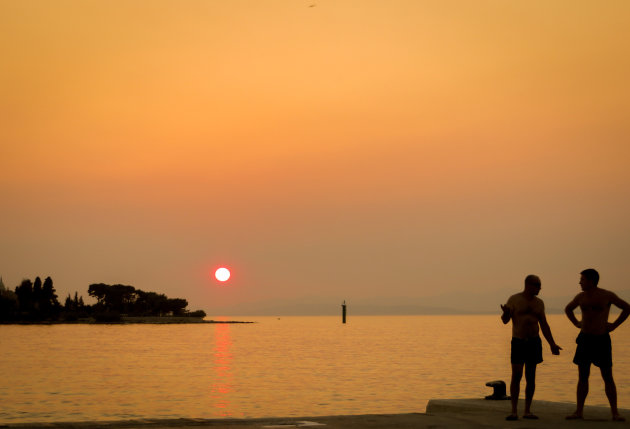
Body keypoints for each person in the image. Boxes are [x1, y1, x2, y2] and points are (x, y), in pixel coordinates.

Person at [565, 268, 630, 421]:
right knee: (583, 376)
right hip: (585, 339)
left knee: (607, 376)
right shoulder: (580, 297)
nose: (580, 282)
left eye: (582, 279)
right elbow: (568, 309)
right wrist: (576, 323)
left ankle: (615, 412)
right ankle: (579, 411)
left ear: (591, 281)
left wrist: (614, 325)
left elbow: (627, 308)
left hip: (601, 339)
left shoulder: (606, 295)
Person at [501, 274, 562, 421]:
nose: (540, 288)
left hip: (534, 342)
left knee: (531, 376)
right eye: (537, 285)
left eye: (540, 285)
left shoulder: (539, 303)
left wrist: (552, 344)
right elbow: (505, 320)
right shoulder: (514, 299)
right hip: (518, 341)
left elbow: (544, 324)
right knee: (516, 375)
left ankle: (527, 410)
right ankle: (514, 411)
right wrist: (506, 314)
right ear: (528, 285)